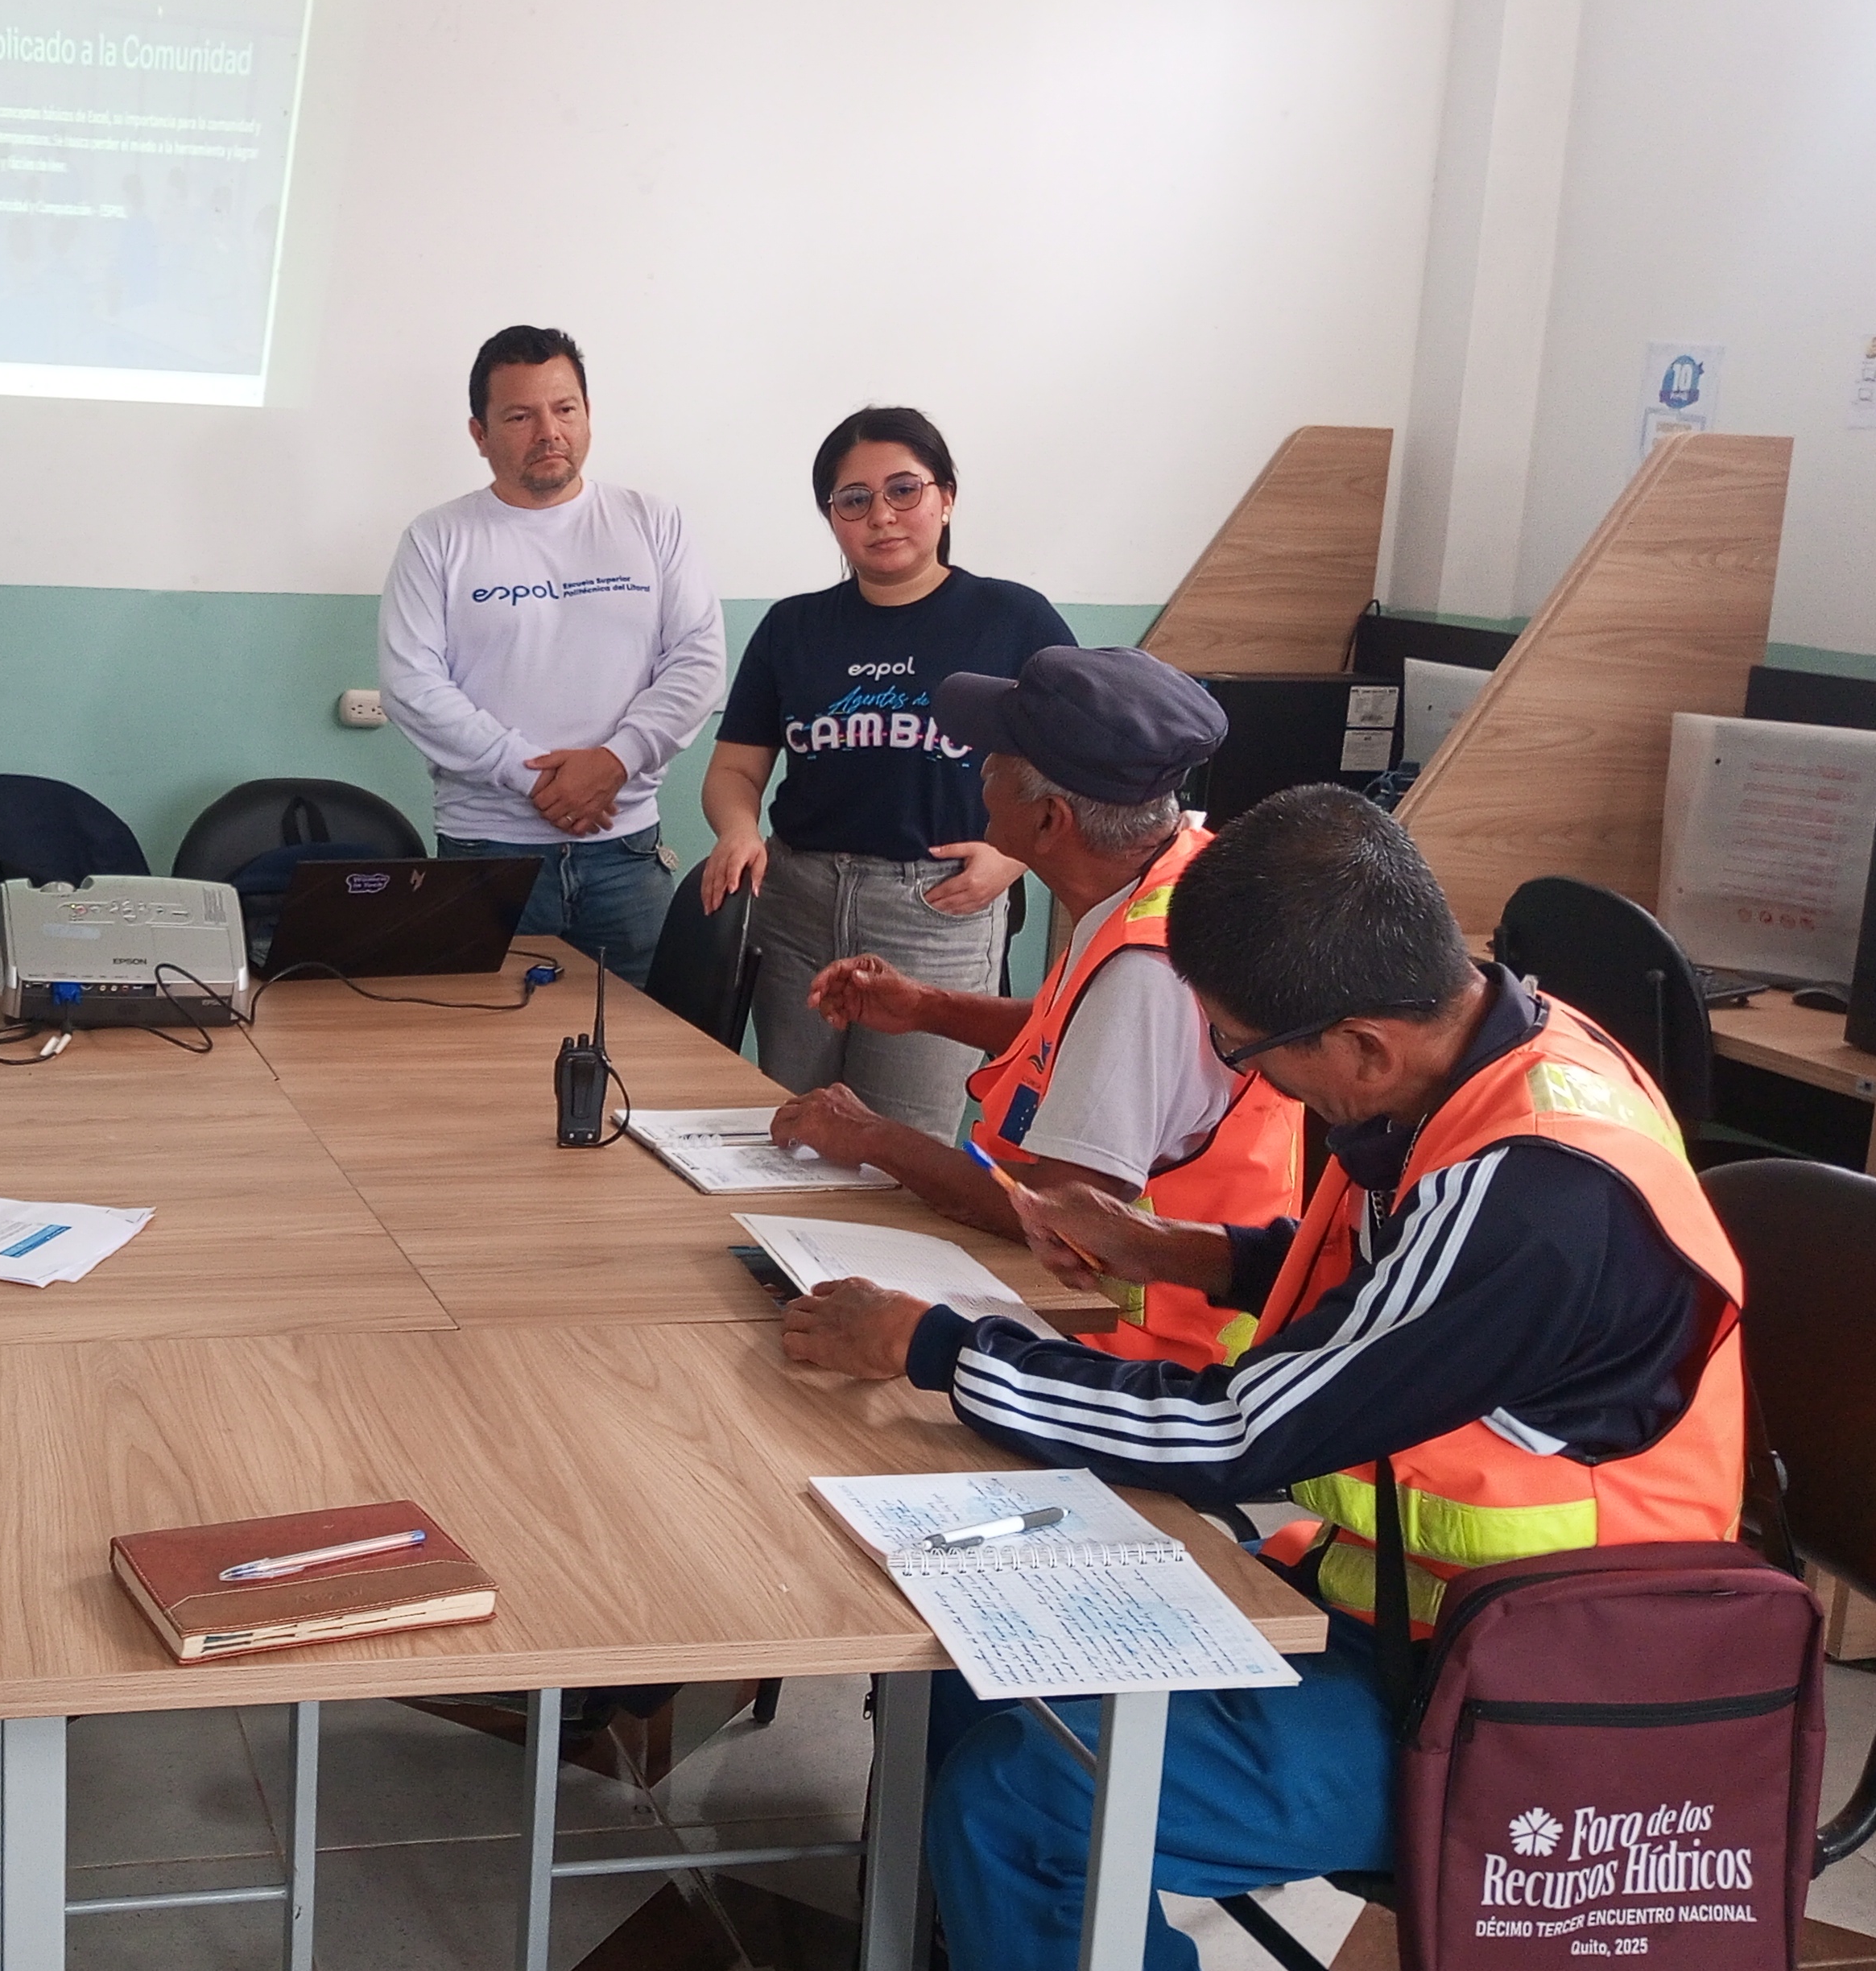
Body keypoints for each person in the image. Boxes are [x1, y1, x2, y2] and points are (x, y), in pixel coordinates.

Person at [778, 787, 1744, 1971]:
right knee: (982, 1664)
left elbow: (1238, 1427)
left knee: (1025, 1804)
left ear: (1360, 1042)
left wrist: (933, 1348)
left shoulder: (1537, 1195)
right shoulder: (1492, 1053)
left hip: (1521, 1708)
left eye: (1244, 1053)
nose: (1249, 1082)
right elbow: (1391, 1285)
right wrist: (1181, 1252)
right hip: (1400, 1620)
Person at [767, 646, 1303, 1364]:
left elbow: (1062, 1210)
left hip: (1128, 1352)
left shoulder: (1146, 973)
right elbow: (1088, 1042)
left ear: (1051, 820)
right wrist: (926, 1006)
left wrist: (871, 1137)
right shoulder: (1174, 875)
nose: (980, 769)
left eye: (997, 758)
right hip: (1080, 1316)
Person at [700, 407, 1074, 1139]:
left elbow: (1084, 763)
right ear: (831, 516)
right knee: (792, 1128)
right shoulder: (791, 627)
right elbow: (735, 769)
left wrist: (1016, 858)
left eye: (904, 490)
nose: (882, 515)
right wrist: (738, 832)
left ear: (946, 498)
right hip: (798, 902)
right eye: (855, 499)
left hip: (938, 910)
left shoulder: (1013, 618)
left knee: (905, 1144)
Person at [378, 324, 726, 986]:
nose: (549, 432)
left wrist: (616, 760)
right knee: (485, 1045)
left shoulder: (654, 522)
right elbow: (411, 685)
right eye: (520, 416)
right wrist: (532, 776)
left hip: (626, 854)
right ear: (479, 434)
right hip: (488, 854)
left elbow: (698, 661)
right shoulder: (437, 538)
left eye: (565, 409)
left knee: (642, 1041)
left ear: (588, 413)